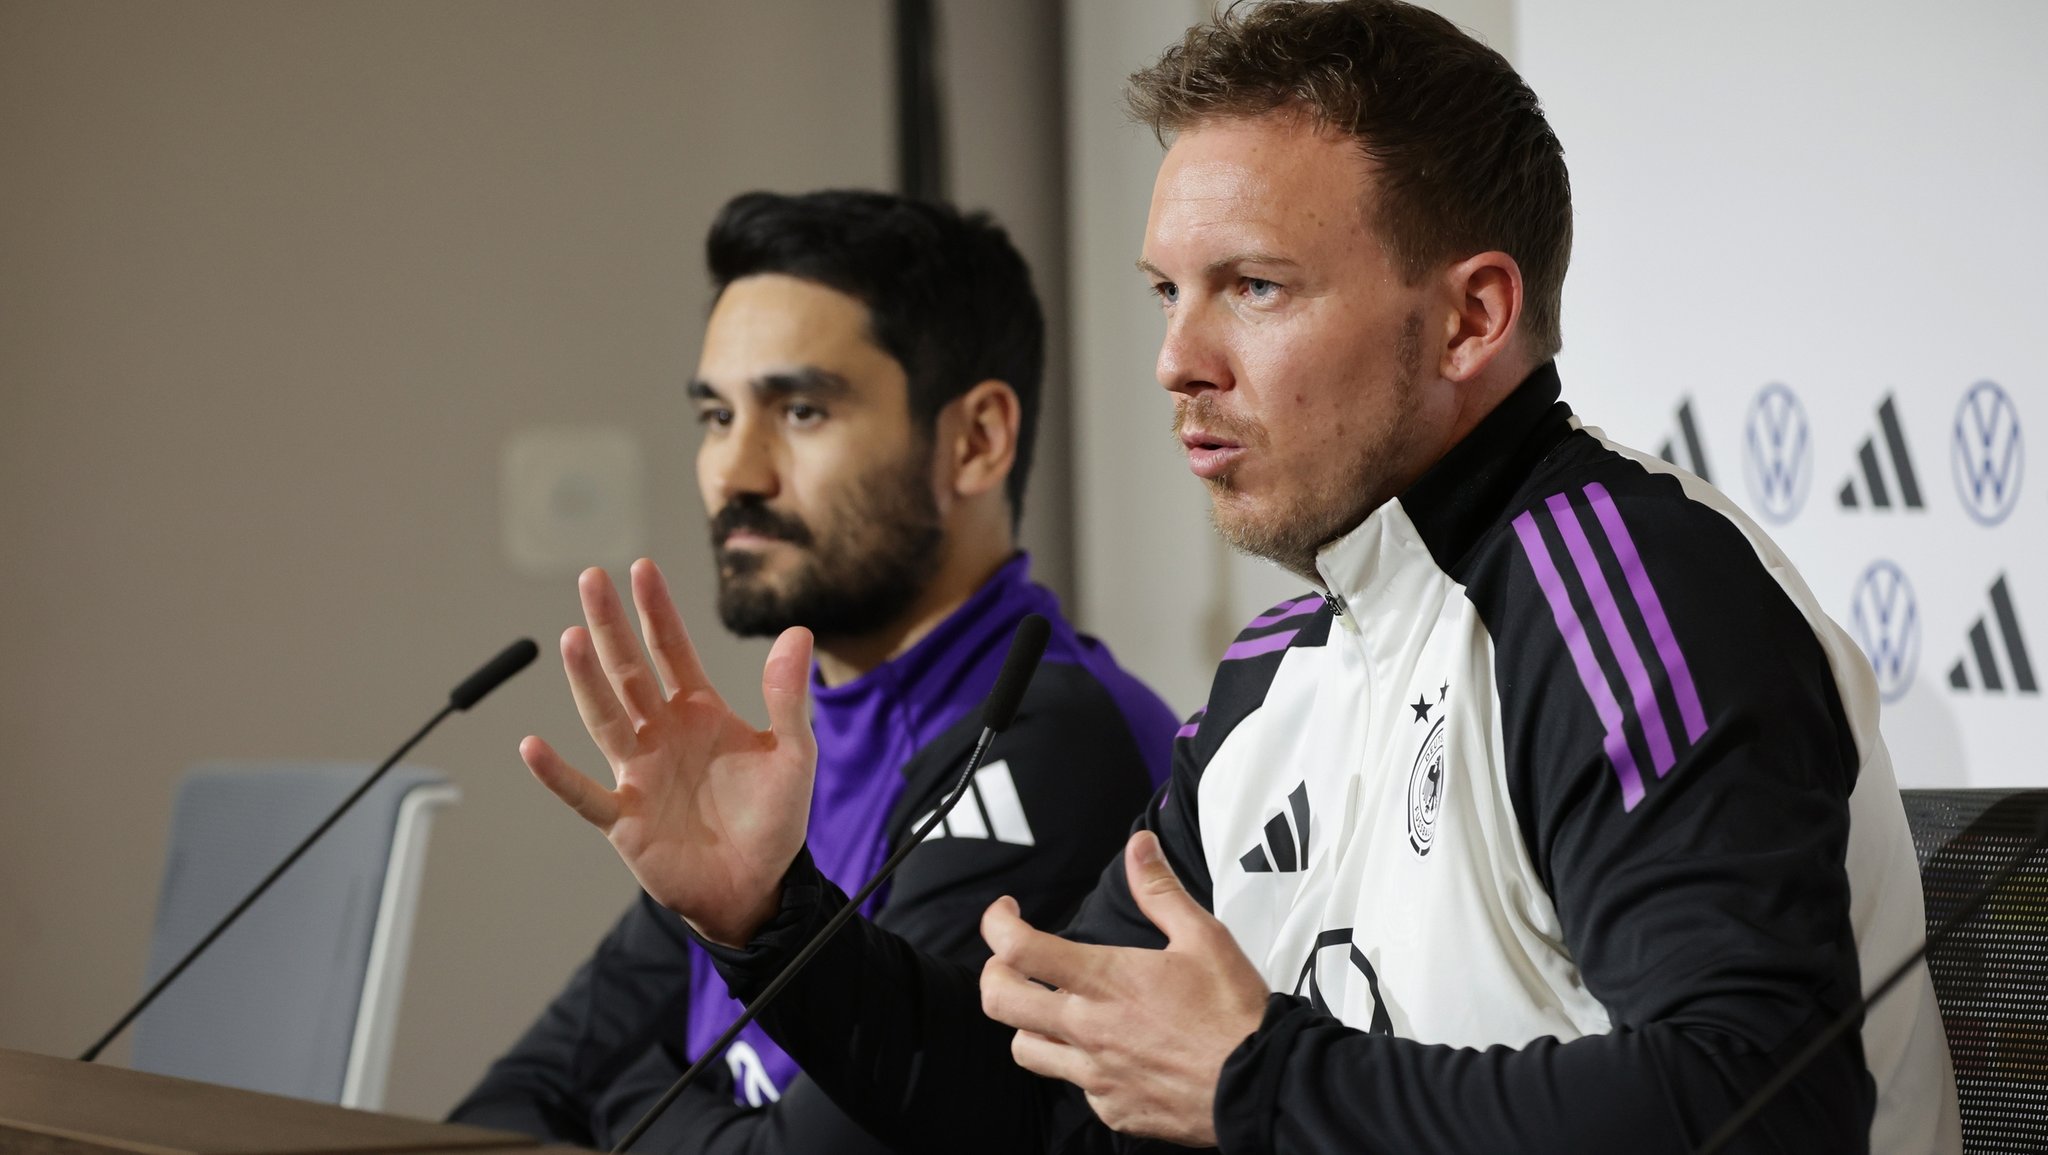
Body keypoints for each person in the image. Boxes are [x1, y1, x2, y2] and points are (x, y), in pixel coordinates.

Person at [521, 4, 1961, 1152]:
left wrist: (1259, 1082)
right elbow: (1039, 1103)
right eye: (1168, 291)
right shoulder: (1287, 664)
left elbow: (1762, 1101)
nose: (1177, 360)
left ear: (1471, 317)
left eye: (1253, 287)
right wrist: (777, 917)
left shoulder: (1627, 590)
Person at [453, 190, 1179, 1151]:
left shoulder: (1044, 742)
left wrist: (626, 1100)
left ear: (976, 441)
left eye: (799, 410)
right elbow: (512, 1105)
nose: (735, 471)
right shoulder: (778, 749)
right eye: (717, 414)